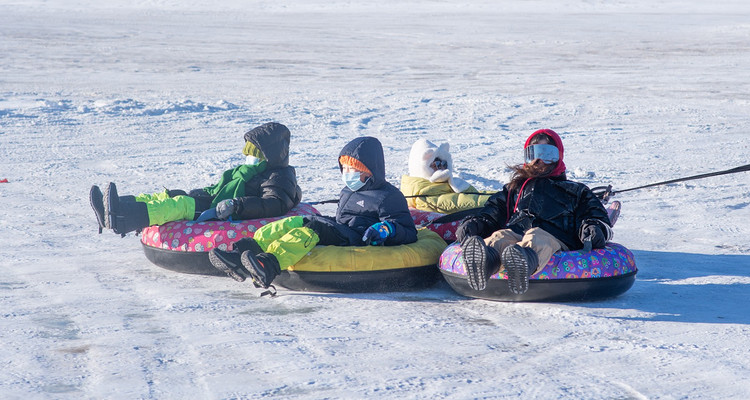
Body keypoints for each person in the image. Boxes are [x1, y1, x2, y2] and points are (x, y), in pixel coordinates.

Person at [209, 136, 418, 290]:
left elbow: (408, 230)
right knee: (294, 222)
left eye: (353, 169)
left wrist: (386, 229)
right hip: (343, 228)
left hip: (359, 237)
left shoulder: (388, 196)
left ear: (369, 170)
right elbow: (341, 219)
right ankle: (240, 255)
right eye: (344, 168)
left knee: (311, 229)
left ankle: (269, 265)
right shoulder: (349, 191)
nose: (347, 174)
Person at [455, 129, 612, 295]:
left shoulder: (575, 190)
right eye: (533, 154)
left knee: (537, 237)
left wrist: (593, 228)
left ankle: (522, 263)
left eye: (547, 154)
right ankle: (485, 262)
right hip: (517, 232)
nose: (539, 161)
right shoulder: (516, 188)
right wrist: (477, 224)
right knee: (500, 236)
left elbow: (594, 214)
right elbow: (493, 212)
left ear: (558, 156)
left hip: (556, 236)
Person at [89, 122, 302, 236]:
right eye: (248, 153)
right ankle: (115, 207)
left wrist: (237, 205)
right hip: (219, 202)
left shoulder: (280, 176)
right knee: (172, 194)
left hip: (227, 212)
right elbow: (220, 188)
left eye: (255, 154)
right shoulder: (249, 170)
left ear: (270, 155)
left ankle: (122, 218)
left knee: (181, 205)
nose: (249, 159)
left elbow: (274, 204)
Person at [400, 138, 492, 214]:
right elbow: (459, 202)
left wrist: (502, 194)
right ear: (421, 167)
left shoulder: (442, 184)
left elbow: (477, 194)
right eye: (436, 164)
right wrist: (499, 200)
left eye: (444, 163)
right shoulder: (422, 195)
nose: (442, 167)